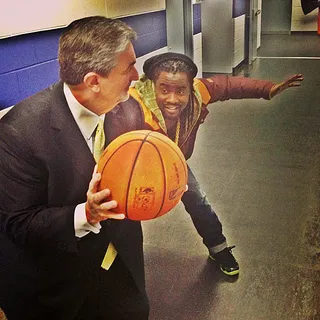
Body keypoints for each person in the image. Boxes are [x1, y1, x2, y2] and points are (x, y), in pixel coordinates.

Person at [0, 16, 150, 320]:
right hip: (57, 284)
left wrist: (165, 180)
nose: (137, 75)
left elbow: (141, 158)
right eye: (128, 68)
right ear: (94, 80)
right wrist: (87, 214)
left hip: (120, 262)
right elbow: (19, 223)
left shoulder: (128, 108)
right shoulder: (19, 132)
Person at [123, 52, 303, 276]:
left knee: (198, 200)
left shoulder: (199, 94)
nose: (172, 99)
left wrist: (267, 89)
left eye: (181, 90)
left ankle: (218, 249)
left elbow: (229, 85)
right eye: (165, 89)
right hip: (134, 170)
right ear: (152, 86)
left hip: (173, 162)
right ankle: (122, 265)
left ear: (191, 87)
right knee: (125, 215)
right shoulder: (131, 105)